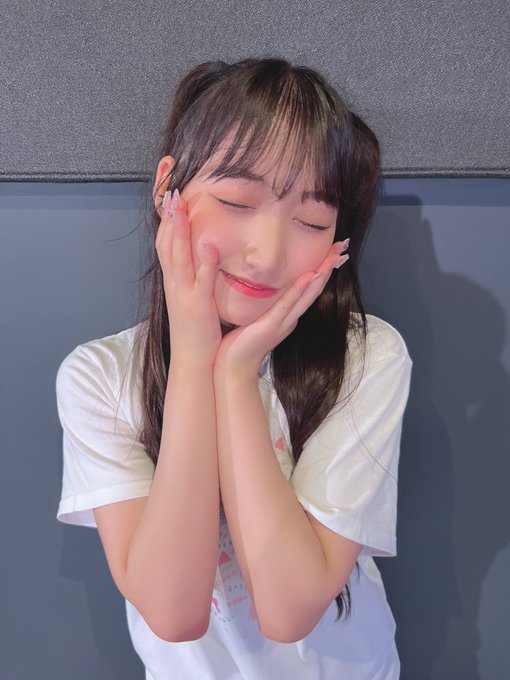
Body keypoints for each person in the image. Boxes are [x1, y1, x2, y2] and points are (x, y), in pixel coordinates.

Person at [56, 57, 412, 679]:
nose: (267, 255)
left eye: (311, 221)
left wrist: (235, 375)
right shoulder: (101, 379)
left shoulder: (366, 357)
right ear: (167, 189)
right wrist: (195, 361)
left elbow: (289, 609)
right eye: (236, 201)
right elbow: (173, 613)